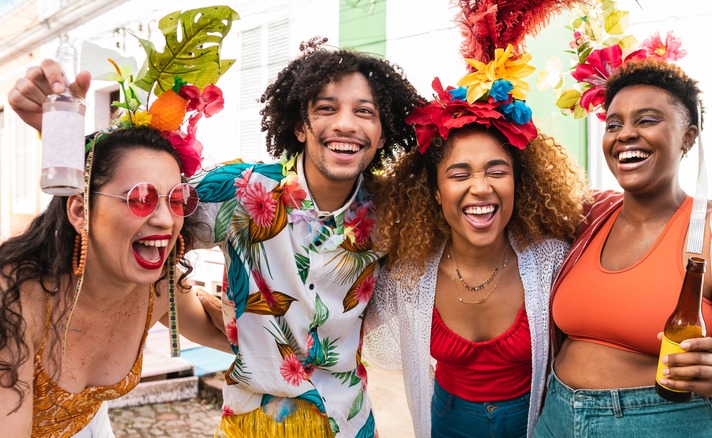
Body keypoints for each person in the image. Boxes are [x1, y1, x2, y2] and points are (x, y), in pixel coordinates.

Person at [10, 36, 421, 436]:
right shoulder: (241, 191)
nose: (345, 124)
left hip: (350, 421)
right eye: (327, 108)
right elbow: (132, 202)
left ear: (383, 134)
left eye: (365, 112)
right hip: (250, 420)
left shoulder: (398, 214)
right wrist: (59, 140)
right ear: (300, 125)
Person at [363, 4, 586, 432]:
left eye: (496, 171)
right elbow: (331, 314)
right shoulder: (408, 274)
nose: (480, 187)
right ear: (434, 190)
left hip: (537, 423)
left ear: (520, 183)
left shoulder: (554, 262)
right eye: (459, 174)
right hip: (446, 421)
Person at [533, 58, 712, 437]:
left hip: (669, 425)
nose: (625, 134)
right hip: (557, 419)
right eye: (613, 124)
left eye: (646, 120)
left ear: (688, 136)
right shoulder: (587, 216)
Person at [0, 126, 231, 437]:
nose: (165, 220)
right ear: (81, 211)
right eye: (141, 197)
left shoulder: (160, 286)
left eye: (177, 199)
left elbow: (226, 335)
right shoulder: (13, 301)